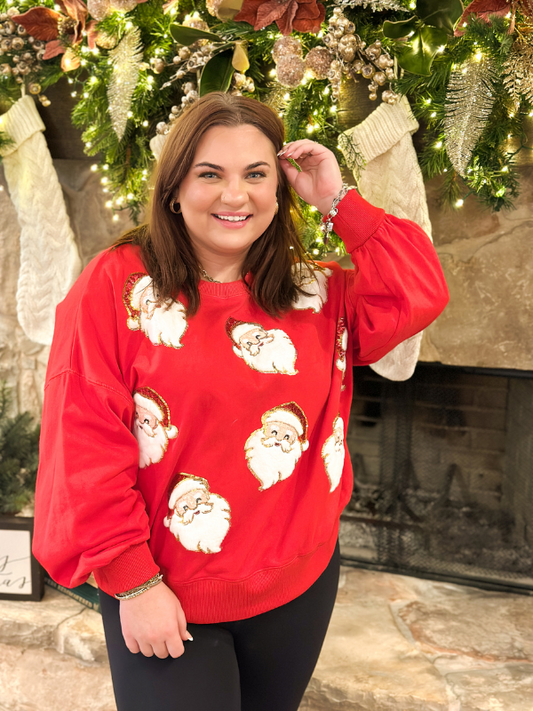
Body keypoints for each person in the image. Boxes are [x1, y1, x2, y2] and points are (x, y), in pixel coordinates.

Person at [33, 92, 449, 711]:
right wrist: (132, 583)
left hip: (299, 583)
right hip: (164, 595)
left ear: (278, 190)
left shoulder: (312, 290)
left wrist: (340, 202)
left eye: (256, 174)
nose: (236, 196)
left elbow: (419, 292)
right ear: (174, 188)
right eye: (210, 174)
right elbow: (82, 444)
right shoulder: (116, 288)